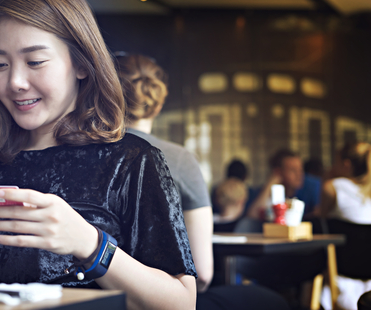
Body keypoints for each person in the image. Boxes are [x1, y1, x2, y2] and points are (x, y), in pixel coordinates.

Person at [0, 0, 196, 310]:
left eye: (35, 61)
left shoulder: (131, 161)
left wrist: (89, 244)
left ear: (82, 64)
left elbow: (181, 302)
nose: (15, 82)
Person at [116, 53, 290, 310]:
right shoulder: (179, 160)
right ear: (158, 102)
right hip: (164, 303)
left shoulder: (78, 155)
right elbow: (203, 274)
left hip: (96, 298)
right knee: (273, 303)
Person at [319, 142, 371, 309]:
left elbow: (321, 220)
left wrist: (326, 177)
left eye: (335, 161)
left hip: (341, 277)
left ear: (346, 164)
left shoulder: (333, 187)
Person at [247, 148, 320, 220]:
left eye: (300, 170)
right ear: (278, 172)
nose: (299, 174)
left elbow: (319, 213)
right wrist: (270, 184)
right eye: (293, 170)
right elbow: (252, 216)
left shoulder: (312, 185)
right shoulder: (270, 190)